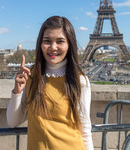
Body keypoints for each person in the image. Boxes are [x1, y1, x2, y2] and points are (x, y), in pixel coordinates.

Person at [7, 16, 94, 150]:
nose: (53, 47)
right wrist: (17, 91)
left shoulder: (80, 80)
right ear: (40, 44)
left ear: (69, 44)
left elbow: (85, 129)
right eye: (47, 41)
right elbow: (13, 122)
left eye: (60, 41)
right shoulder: (32, 75)